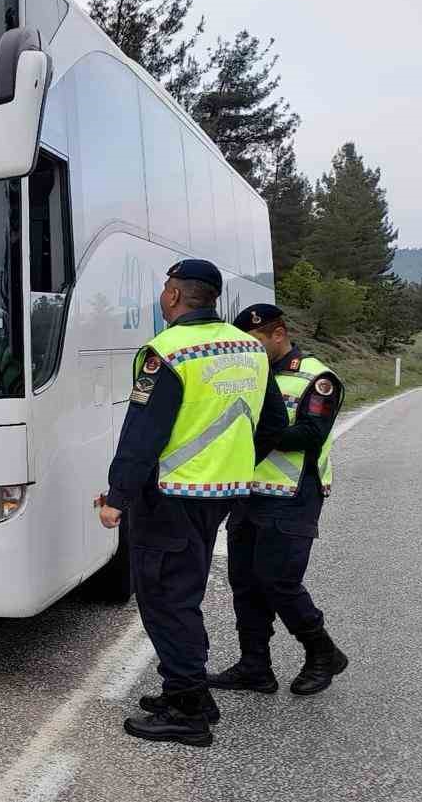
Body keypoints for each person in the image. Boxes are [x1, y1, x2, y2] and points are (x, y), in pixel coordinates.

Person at [97, 260, 286, 748]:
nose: (163, 297)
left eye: (165, 289)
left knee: (166, 598)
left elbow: (142, 433)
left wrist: (118, 496)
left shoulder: (167, 351)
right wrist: (233, 464)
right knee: (184, 592)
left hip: (172, 495)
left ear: (176, 297)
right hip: (222, 494)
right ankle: (193, 693)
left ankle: (186, 708)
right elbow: (272, 426)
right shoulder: (250, 346)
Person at [207, 303, 348, 697]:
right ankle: (255, 667)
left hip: (292, 495)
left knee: (278, 582)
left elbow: (310, 434)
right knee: (245, 583)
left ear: (278, 333)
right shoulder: (249, 374)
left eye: (255, 342)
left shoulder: (317, 378)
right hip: (247, 492)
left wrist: (249, 436)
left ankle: (323, 653)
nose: (249, 350)